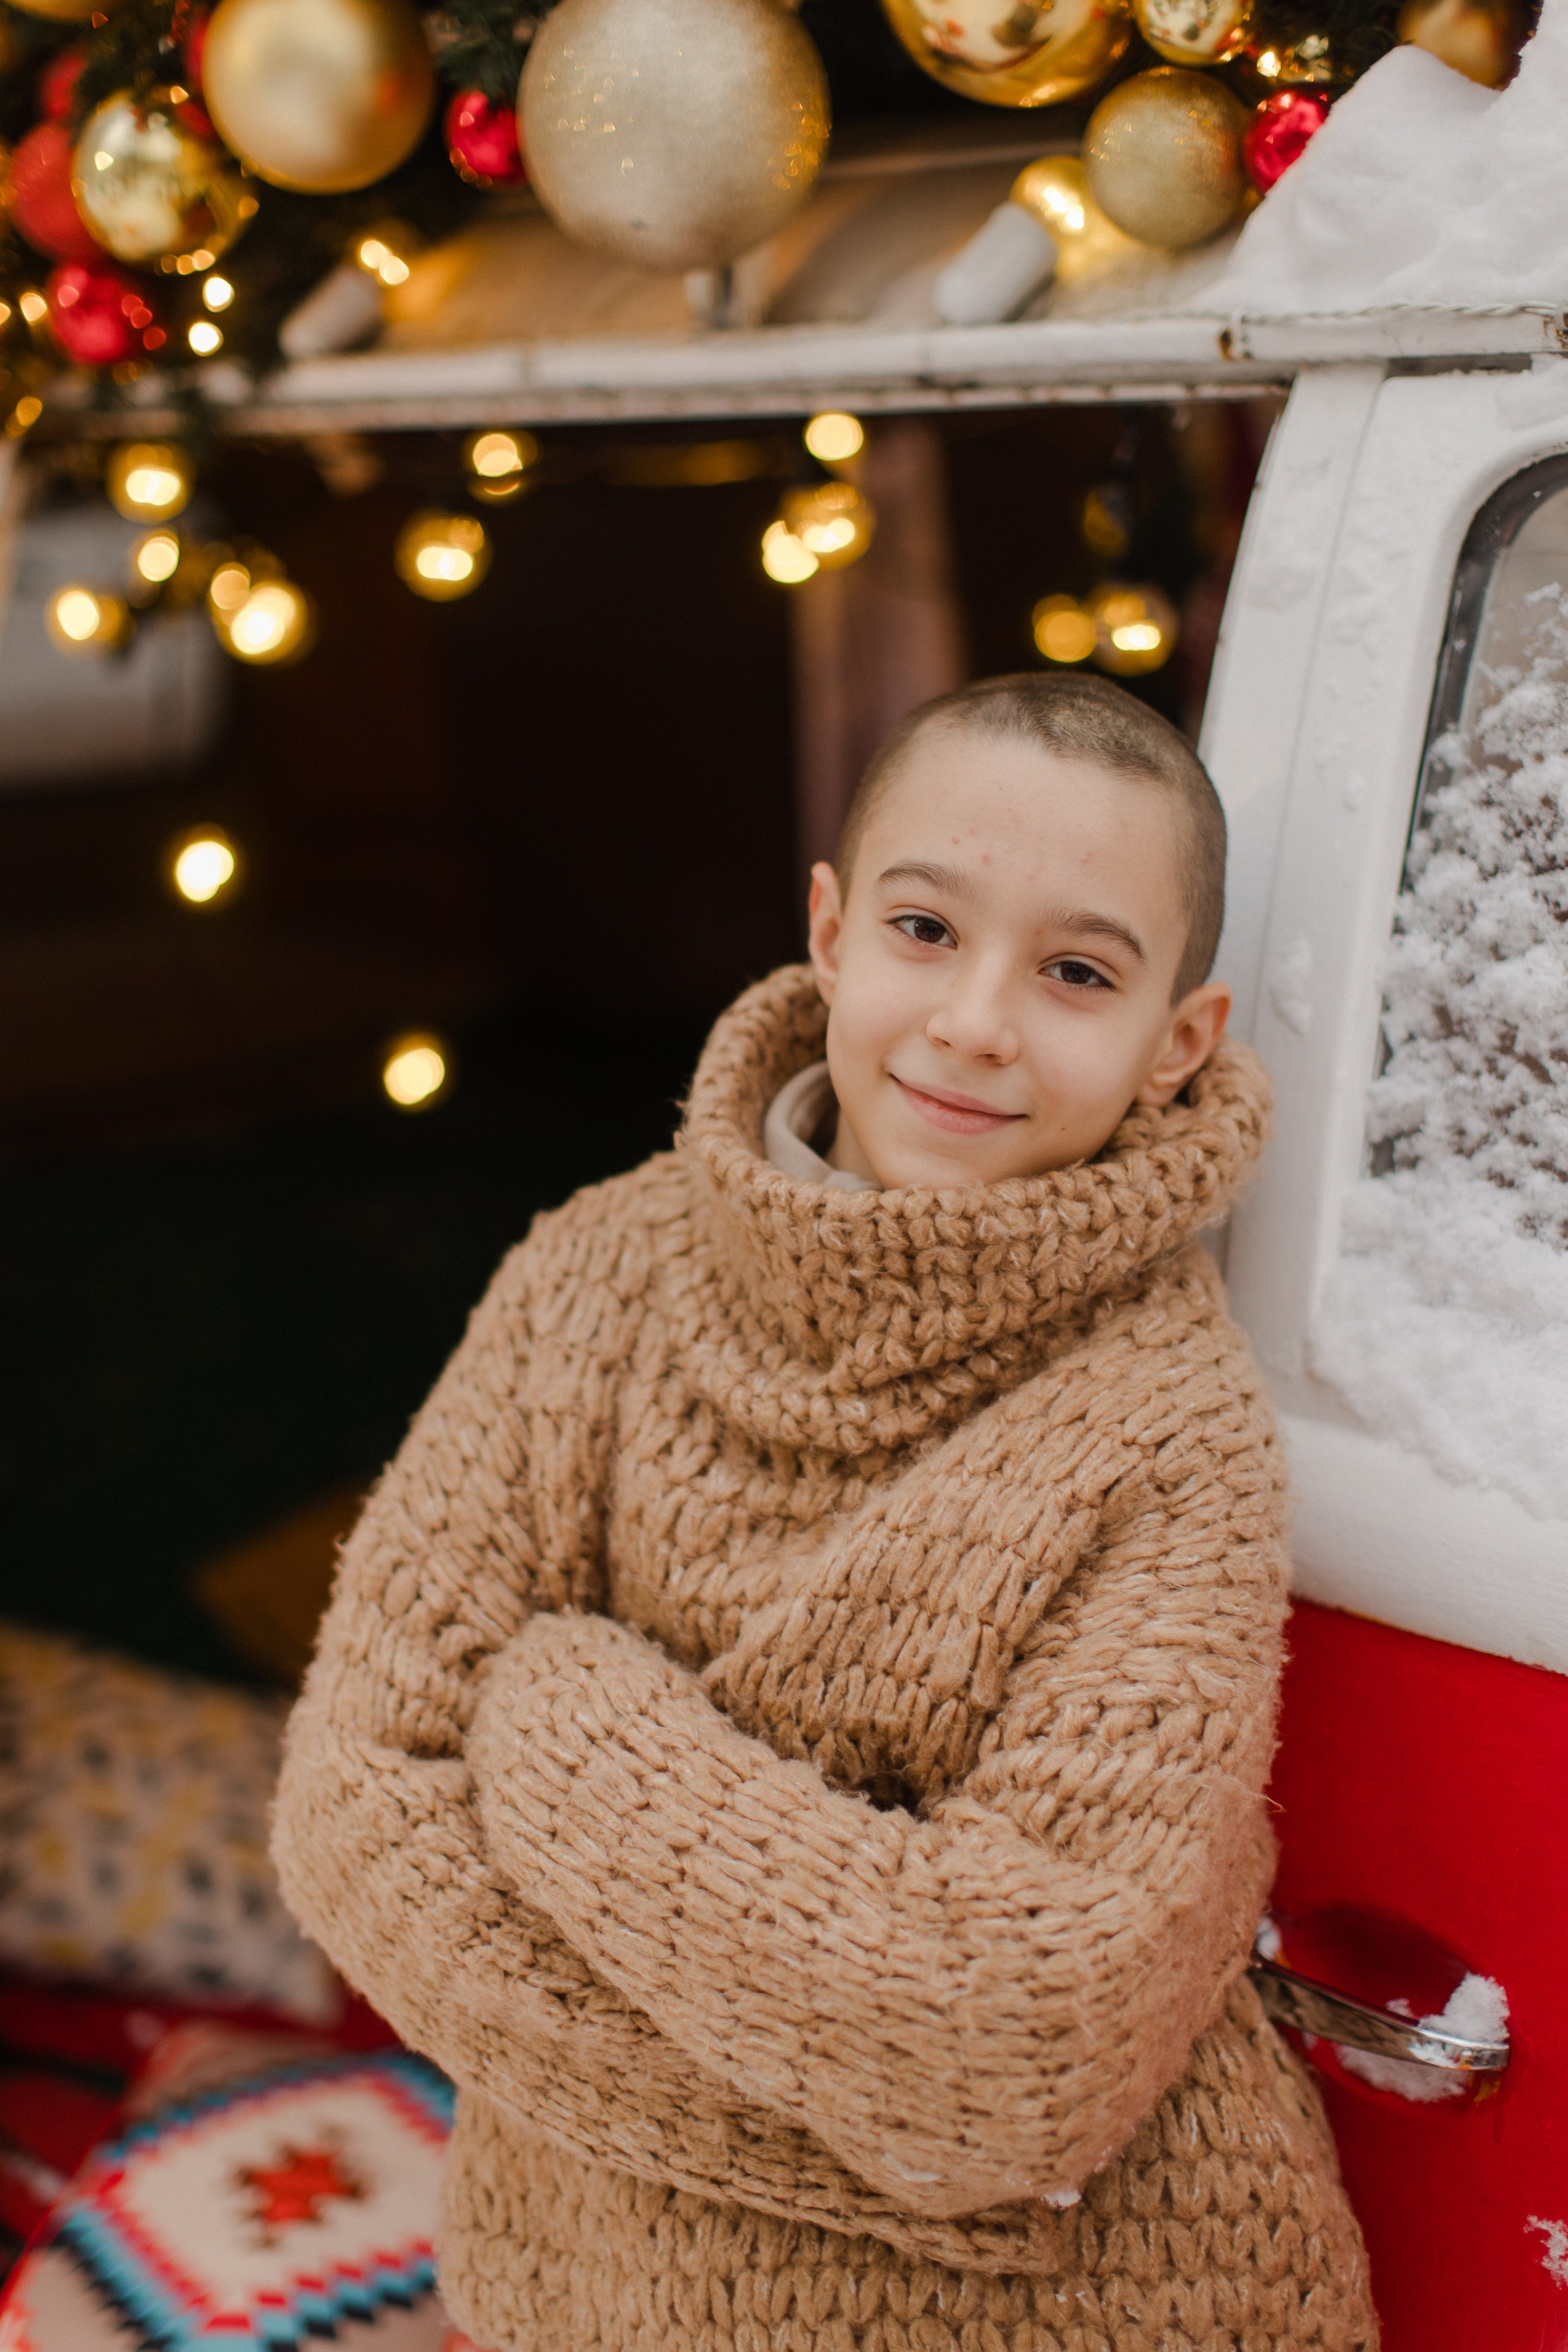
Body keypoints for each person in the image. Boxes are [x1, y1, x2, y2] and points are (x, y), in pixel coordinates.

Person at [273, 672, 1378, 2352]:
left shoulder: (1170, 1435)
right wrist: (901, 2137)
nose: (979, 1021)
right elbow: (354, 1814)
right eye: (928, 931)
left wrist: (555, 1724)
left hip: (1090, 2316)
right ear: (831, 933)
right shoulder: (596, 1273)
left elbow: (1014, 2051)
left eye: (1077, 973)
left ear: (1179, 1041)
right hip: (599, 2302)